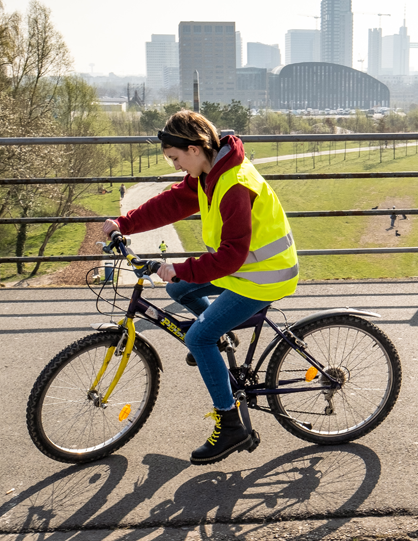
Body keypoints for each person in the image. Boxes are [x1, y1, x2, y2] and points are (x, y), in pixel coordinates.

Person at [102, 110, 298, 466]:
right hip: (243, 268)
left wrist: (177, 267)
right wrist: (123, 224)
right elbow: (174, 202)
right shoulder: (210, 171)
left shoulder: (233, 184)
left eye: (176, 158)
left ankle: (231, 425)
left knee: (197, 338)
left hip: (263, 275)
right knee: (179, 291)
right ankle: (221, 333)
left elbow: (229, 258)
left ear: (194, 148)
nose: (176, 166)